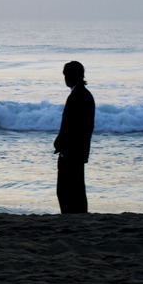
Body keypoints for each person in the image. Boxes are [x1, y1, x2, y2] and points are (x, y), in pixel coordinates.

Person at [54, 61, 95, 213]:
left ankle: (71, 217)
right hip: (80, 149)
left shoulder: (76, 96)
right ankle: (79, 216)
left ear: (68, 77)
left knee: (65, 190)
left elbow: (69, 125)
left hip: (71, 150)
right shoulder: (86, 95)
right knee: (77, 188)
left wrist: (60, 143)